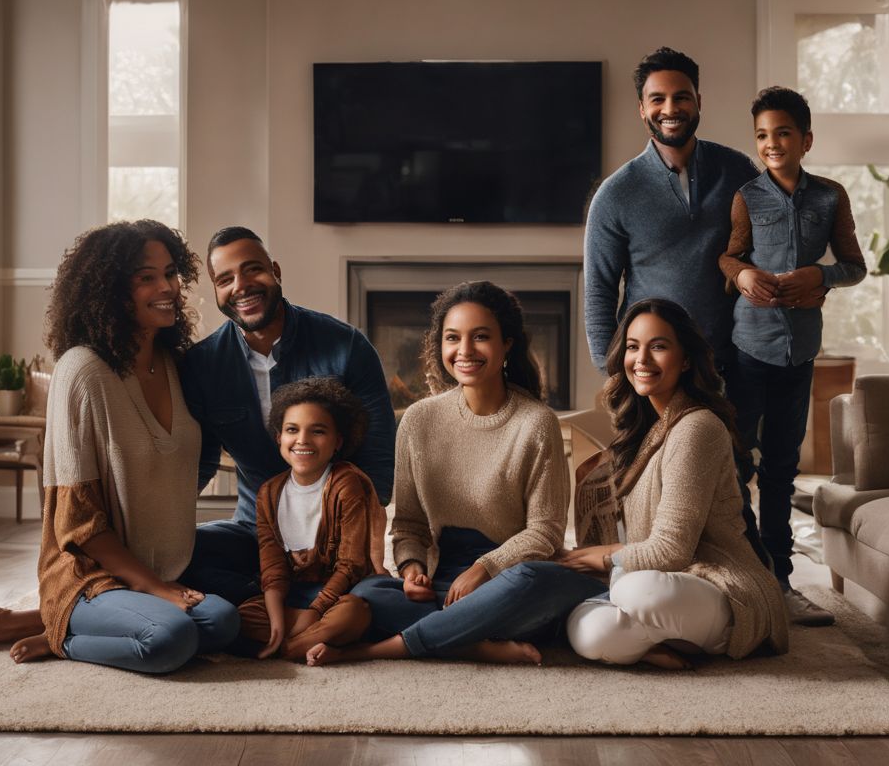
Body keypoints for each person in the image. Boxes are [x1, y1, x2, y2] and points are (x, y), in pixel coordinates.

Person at [0, 219, 240, 673]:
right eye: (146, 278)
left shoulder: (176, 365)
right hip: (92, 577)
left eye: (171, 272)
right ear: (111, 292)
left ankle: (47, 622)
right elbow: (77, 523)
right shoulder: (82, 372)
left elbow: (185, 468)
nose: (169, 287)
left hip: (166, 571)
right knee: (171, 639)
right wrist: (155, 588)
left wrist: (163, 579)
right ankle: (62, 633)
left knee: (223, 622)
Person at [305, 281, 607, 666]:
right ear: (440, 345)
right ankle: (473, 642)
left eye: (480, 337)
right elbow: (409, 524)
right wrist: (413, 569)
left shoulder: (536, 423)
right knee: (368, 592)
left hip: (508, 578)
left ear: (507, 344)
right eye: (453, 338)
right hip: (446, 583)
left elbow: (545, 531)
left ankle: (383, 648)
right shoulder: (418, 420)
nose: (464, 351)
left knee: (534, 579)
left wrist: (485, 569)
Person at [582, 46, 789, 595]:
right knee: (657, 481)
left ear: (699, 101)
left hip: (737, 353)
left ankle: (769, 584)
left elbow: (763, 250)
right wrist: (616, 369)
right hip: (659, 364)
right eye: (658, 99)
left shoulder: (738, 172)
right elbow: (601, 288)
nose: (670, 107)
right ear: (642, 109)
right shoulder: (616, 193)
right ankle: (680, 578)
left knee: (736, 474)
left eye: (681, 97)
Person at [562, 298, 789, 668]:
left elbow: (671, 552)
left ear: (685, 360)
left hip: (721, 586)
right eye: (633, 347)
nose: (642, 360)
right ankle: (661, 643)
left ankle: (659, 633)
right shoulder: (640, 431)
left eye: (659, 347)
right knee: (590, 632)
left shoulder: (697, 427)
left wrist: (601, 557)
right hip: (667, 585)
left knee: (638, 591)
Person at [178, 227, 396, 607]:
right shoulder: (202, 365)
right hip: (256, 532)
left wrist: (359, 544)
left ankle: (273, 603)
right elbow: (199, 462)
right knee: (176, 556)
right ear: (215, 291)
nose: (241, 286)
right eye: (225, 279)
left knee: (380, 601)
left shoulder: (346, 346)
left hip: (337, 536)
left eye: (252, 270)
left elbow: (378, 464)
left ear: (275, 271)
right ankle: (282, 599)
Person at [718, 86, 867, 625]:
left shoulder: (830, 197)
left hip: (799, 352)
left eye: (783, 133)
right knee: (736, 465)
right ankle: (739, 571)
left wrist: (821, 277)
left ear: (805, 139)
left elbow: (855, 265)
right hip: (747, 348)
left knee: (783, 468)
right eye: (762, 135)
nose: (772, 143)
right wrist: (745, 274)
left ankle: (780, 579)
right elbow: (728, 257)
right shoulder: (747, 197)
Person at [237, 377, 381, 662]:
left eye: (317, 431)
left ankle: (290, 648)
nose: (302, 440)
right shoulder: (268, 492)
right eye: (292, 430)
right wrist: (279, 623)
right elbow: (273, 568)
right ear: (279, 437)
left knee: (356, 612)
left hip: (340, 594)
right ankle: (312, 641)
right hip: (295, 595)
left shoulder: (346, 483)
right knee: (241, 614)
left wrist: (315, 613)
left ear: (337, 441)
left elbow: (351, 566)